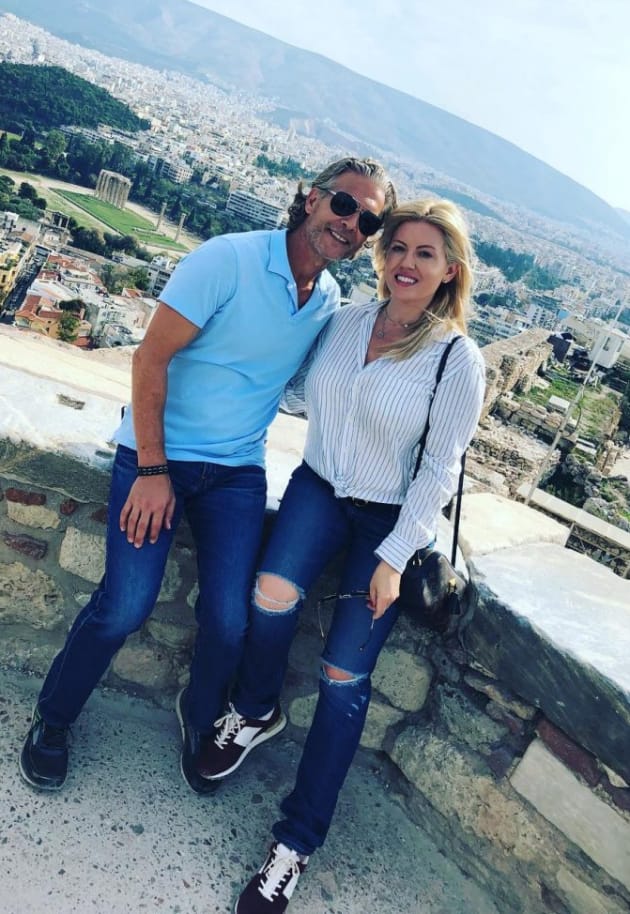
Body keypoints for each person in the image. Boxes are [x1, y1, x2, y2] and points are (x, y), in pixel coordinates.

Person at [19, 156, 397, 795]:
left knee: (229, 620)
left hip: (236, 473)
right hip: (157, 454)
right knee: (125, 605)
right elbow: (149, 358)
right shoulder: (228, 260)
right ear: (309, 199)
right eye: (343, 204)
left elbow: (316, 389)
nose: (351, 223)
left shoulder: (328, 299)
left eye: (369, 218)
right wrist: (152, 467)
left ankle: (200, 721)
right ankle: (53, 718)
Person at [195, 198, 487, 913]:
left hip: (390, 518)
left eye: (425, 253)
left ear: (450, 271)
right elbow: (292, 387)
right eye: (397, 248)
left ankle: (293, 845)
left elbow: (441, 469)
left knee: (342, 676)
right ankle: (255, 709)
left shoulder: (456, 357)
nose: (405, 262)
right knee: (268, 596)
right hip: (320, 489)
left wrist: (392, 556)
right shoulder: (346, 321)